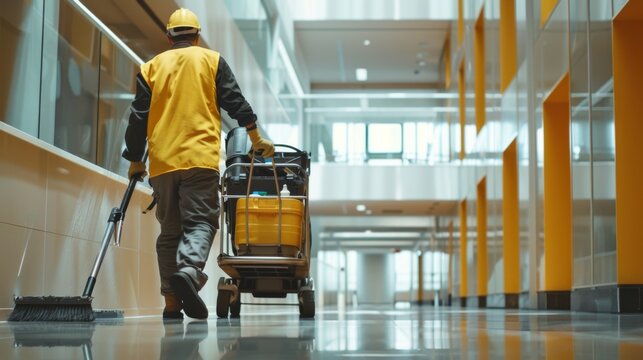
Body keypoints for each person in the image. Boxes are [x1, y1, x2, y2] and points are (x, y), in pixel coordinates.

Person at [122, 8, 275, 319]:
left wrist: (136, 160)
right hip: (200, 158)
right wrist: (256, 137)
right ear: (197, 35)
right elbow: (235, 102)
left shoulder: (150, 67)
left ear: (168, 37)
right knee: (201, 223)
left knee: (169, 232)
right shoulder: (211, 60)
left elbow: (138, 117)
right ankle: (190, 271)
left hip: (163, 163)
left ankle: (170, 303)